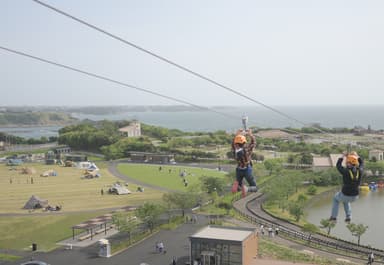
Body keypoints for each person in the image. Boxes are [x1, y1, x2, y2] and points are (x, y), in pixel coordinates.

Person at [329, 151, 364, 223]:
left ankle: (333, 217)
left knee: (336, 199)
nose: (346, 163)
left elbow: (338, 165)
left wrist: (343, 156)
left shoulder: (345, 171)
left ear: (349, 163)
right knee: (346, 201)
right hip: (355, 196)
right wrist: (357, 156)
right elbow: (362, 163)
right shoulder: (360, 171)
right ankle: (348, 217)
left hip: (345, 194)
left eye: (347, 162)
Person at [231, 129, 258, 197]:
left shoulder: (234, 150)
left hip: (238, 170)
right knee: (255, 188)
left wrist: (237, 135)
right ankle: (246, 189)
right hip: (247, 170)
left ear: (236, 144)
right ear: (244, 143)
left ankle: (237, 186)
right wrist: (250, 134)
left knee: (239, 185)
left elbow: (233, 143)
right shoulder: (247, 149)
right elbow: (253, 143)